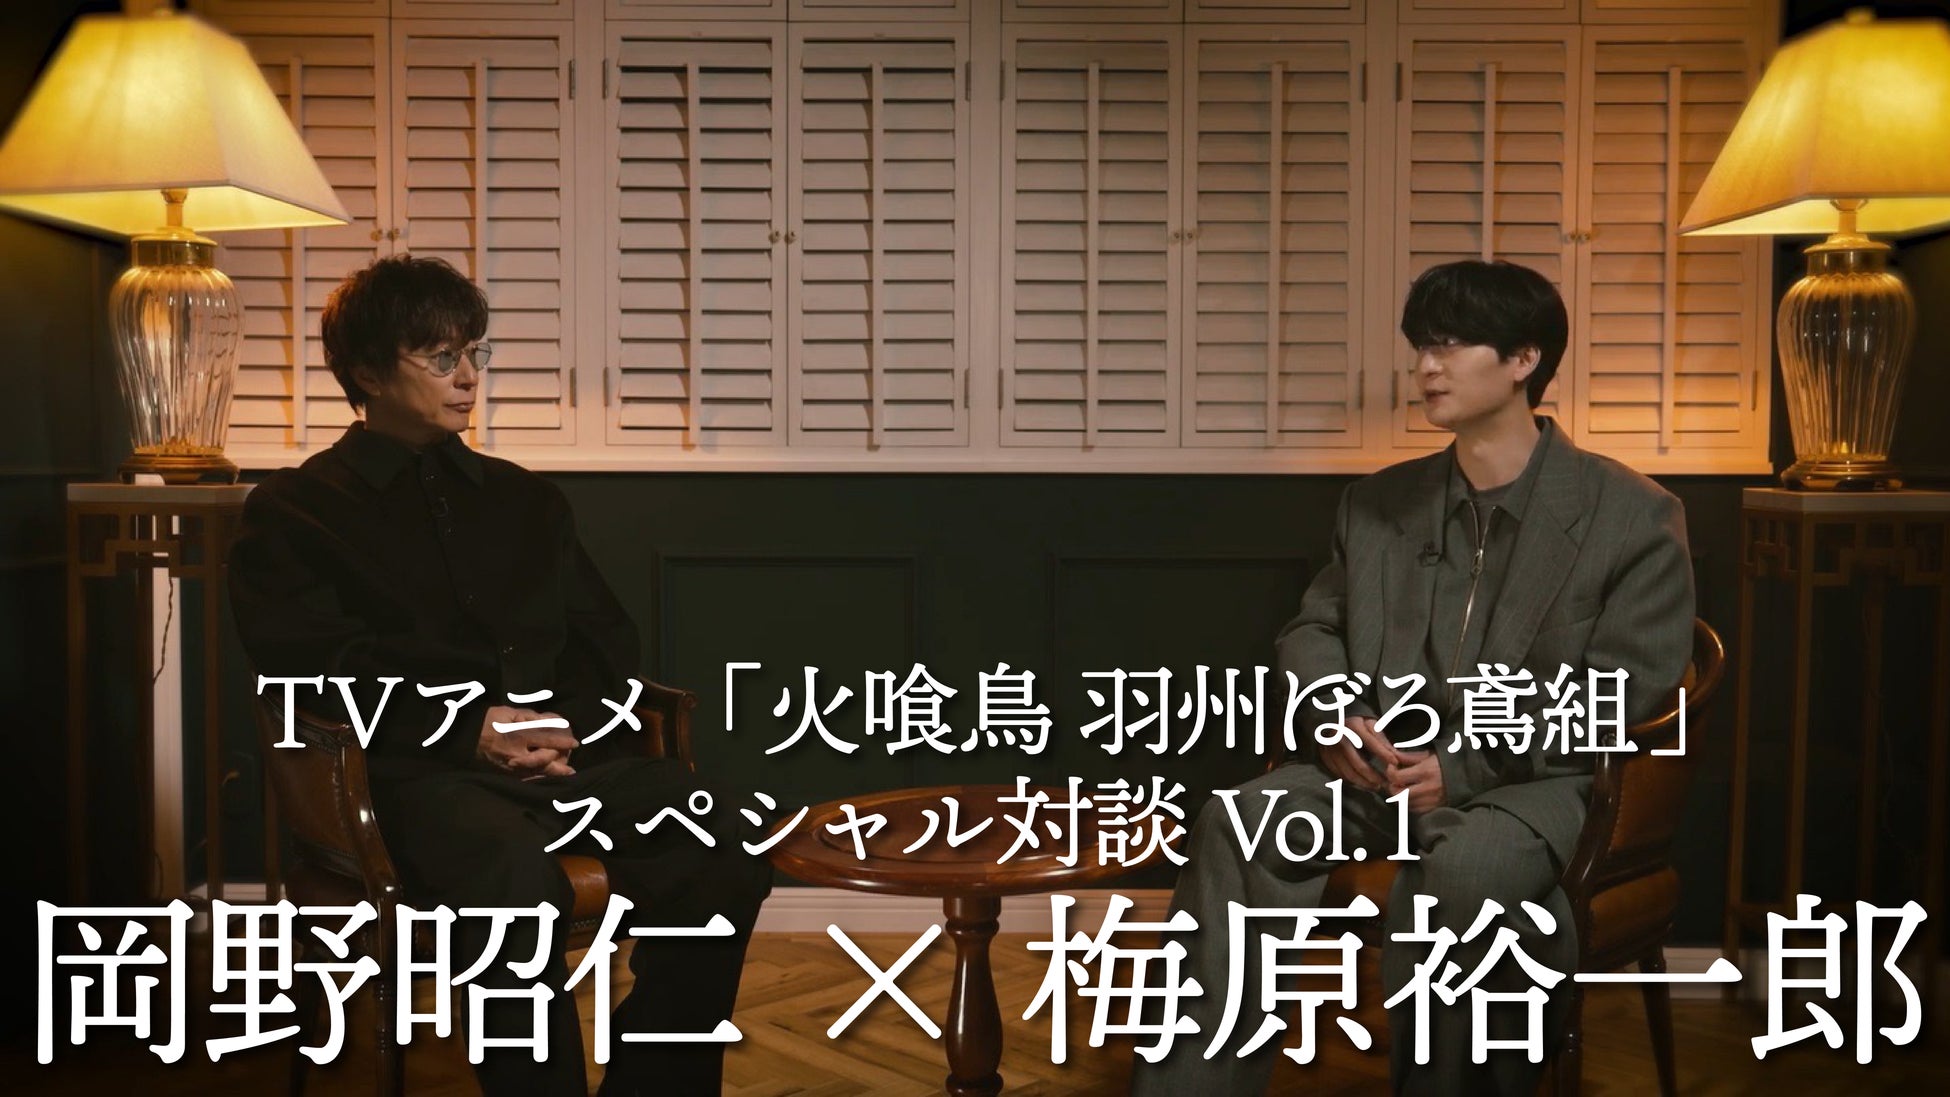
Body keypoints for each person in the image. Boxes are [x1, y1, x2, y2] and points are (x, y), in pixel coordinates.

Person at [1130, 259, 1696, 1095]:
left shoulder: (1633, 514)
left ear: (1524, 359)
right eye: (1421, 345)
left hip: (1528, 784)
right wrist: (1334, 715)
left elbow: (1623, 692)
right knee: (1238, 821)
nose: (1426, 366)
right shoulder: (1376, 503)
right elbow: (1314, 628)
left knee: (1467, 872)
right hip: (1374, 772)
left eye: (1452, 345)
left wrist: (1460, 768)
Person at [229, 254, 772, 1096]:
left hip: (567, 761)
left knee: (725, 836)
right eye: (441, 357)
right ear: (367, 371)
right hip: (417, 775)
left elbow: (606, 646)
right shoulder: (294, 510)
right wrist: (468, 729)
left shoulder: (529, 500)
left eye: (474, 352)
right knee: (511, 879)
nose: (469, 376)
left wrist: (561, 730)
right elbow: (312, 672)